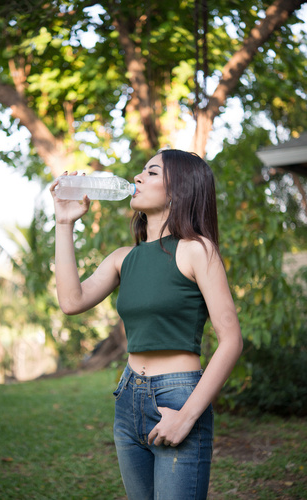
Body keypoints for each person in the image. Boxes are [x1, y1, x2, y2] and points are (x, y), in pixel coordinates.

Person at [50, 149, 243, 500]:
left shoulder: (197, 250)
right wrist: (64, 223)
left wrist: (186, 417)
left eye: (151, 172)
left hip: (178, 396)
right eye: (141, 171)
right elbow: (71, 302)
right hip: (128, 397)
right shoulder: (123, 258)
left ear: (179, 190)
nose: (137, 178)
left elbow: (231, 340)